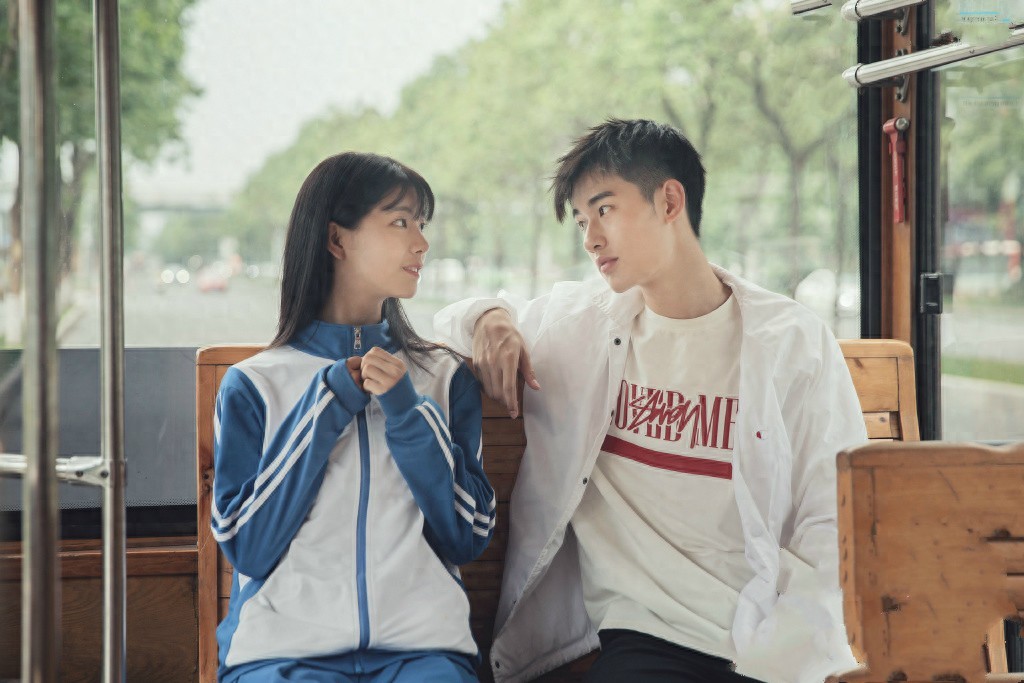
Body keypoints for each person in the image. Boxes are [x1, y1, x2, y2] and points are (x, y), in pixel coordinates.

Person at [434, 119, 866, 683]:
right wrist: (490, 319)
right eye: (582, 221)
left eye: (604, 210)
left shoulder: (791, 341)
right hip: (645, 639)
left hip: (768, 637)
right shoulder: (581, 327)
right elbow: (450, 320)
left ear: (669, 201)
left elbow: (833, 515)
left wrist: (782, 652)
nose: (590, 239)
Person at [212, 152, 495, 683]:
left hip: (425, 653)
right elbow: (247, 546)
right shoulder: (254, 385)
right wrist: (326, 406)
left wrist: (409, 415)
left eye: (421, 224)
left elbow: (467, 534)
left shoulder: (444, 378)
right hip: (281, 656)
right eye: (401, 222)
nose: (422, 243)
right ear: (337, 239)